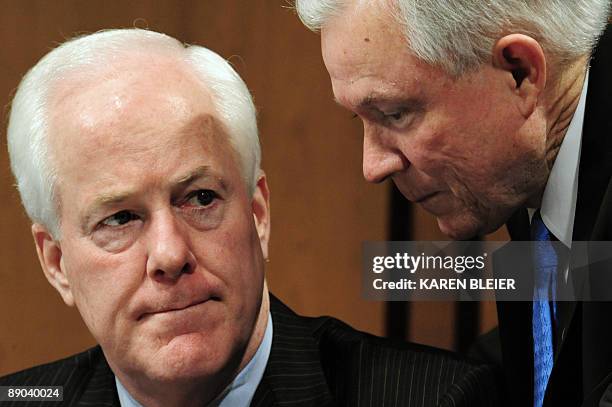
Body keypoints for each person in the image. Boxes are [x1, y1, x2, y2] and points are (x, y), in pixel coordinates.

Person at [0, 29, 499, 407]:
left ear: (258, 214)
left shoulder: (438, 397)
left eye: (199, 199)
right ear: (57, 263)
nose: (170, 255)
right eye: (120, 218)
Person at [294, 0, 612, 406]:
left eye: (394, 113)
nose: (372, 167)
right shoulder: (525, 182)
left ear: (520, 73)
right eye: (361, 119)